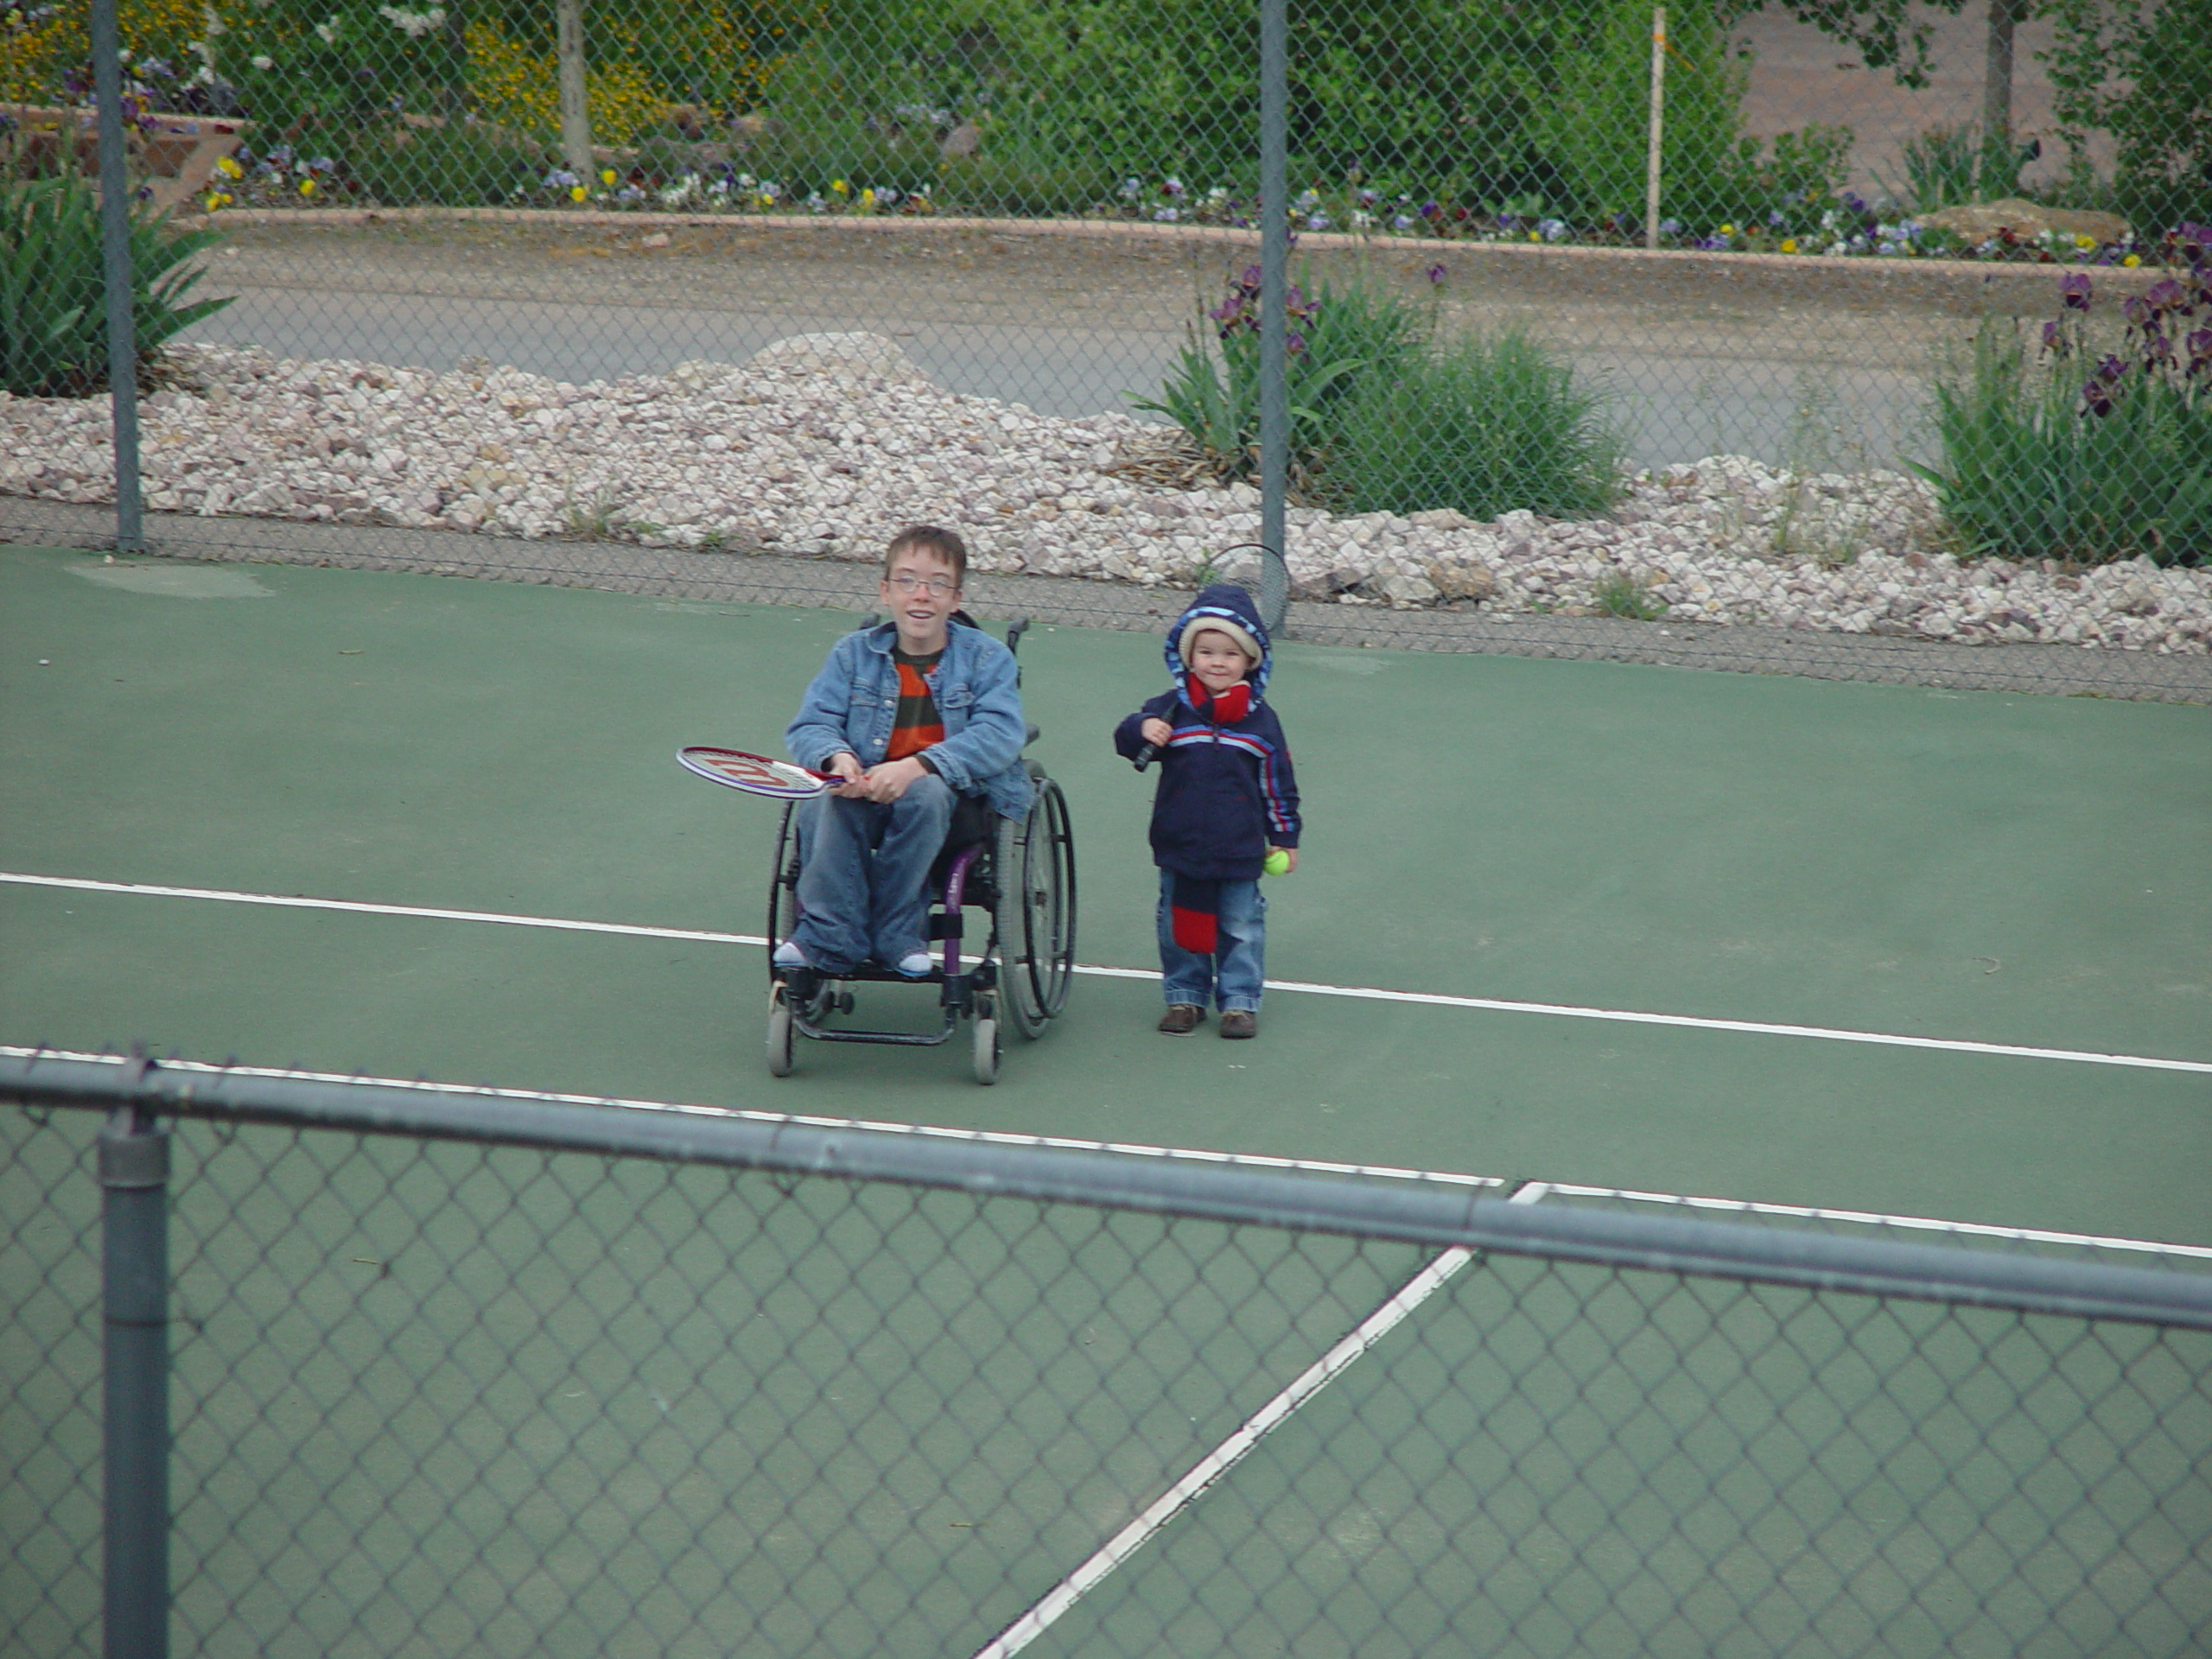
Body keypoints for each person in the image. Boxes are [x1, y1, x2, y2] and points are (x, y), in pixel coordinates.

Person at [776, 525, 1031, 976]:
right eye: (907, 581)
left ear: (956, 599)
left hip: (953, 803)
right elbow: (811, 724)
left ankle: (898, 934)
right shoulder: (851, 655)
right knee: (826, 799)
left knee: (927, 794)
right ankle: (829, 935)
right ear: (885, 591)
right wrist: (839, 760)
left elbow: (1001, 733)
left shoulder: (988, 659)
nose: (922, 595)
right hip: (866, 791)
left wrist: (918, 767)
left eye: (937, 584)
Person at [1113, 582, 1300, 1039]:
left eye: (1230, 654)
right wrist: (1143, 728)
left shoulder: (1262, 722)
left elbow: (1278, 785)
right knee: (1177, 925)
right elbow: (1125, 740)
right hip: (1180, 843)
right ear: (1189, 656)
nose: (1218, 662)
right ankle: (1184, 997)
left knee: (1240, 926)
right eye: (1207, 651)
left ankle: (1238, 1002)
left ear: (1251, 661)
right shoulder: (1171, 710)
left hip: (1239, 850)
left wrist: (1285, 838)